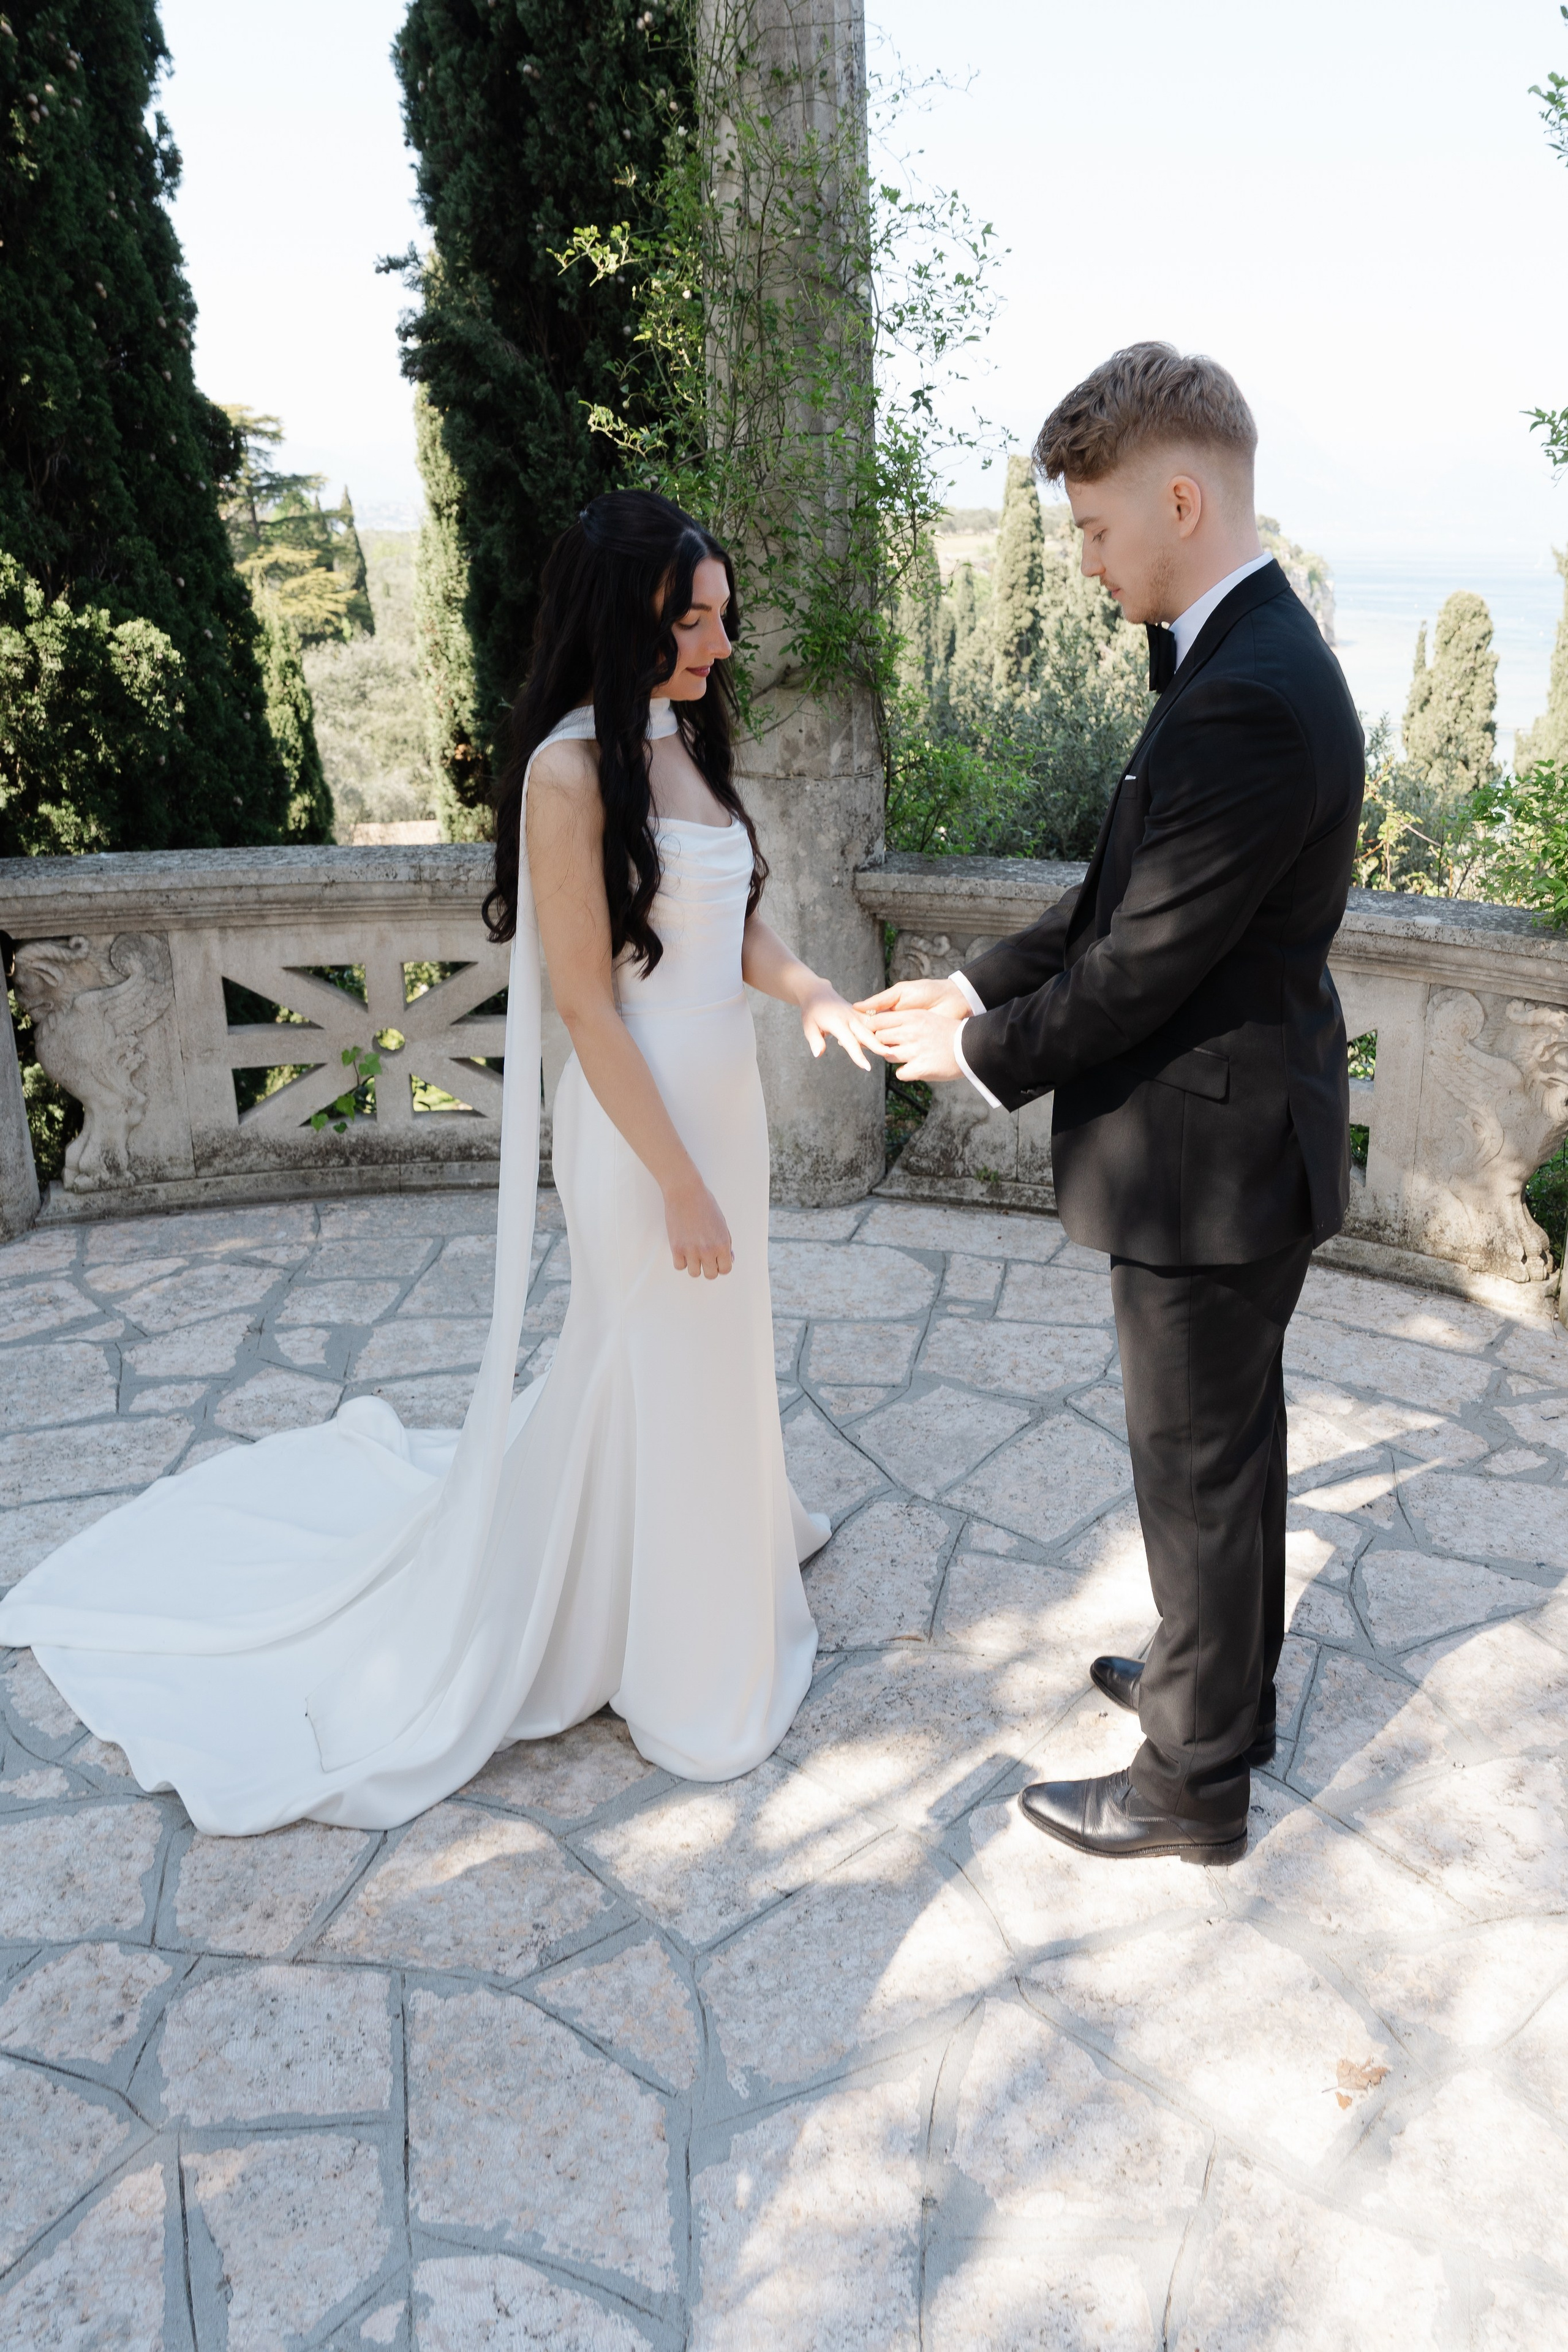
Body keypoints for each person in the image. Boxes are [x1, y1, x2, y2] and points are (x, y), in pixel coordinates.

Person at [0, 491, 876, 1834]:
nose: (719, 644)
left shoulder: (683, 735)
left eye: (720, 619)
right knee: (646, 1350)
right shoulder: (569, 777)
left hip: (723, 1104)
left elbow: (727, 916)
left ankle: (714, 1554)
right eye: (693, 622)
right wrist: (679, 1183)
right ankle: (670, 1649)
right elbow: (588, 1006)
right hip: (640, 1125)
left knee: (713, 1346)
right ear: (622, 624)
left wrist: (809, 992)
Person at [861, 344, 1364, 1864]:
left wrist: (983, 1052)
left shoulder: (1249, 695)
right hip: (1230, 1135)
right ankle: (1223, 1691)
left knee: (1193, 1468)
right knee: (1227, 1452)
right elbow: (1113, 900)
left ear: (1180, 500)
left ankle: (1188, 1784)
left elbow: (1141, 968)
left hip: (1207, 1154)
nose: (1081, 559)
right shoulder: (1246, 652)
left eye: (1092, 526)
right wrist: (968, 985)